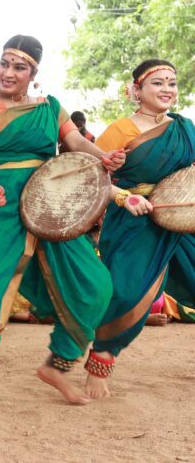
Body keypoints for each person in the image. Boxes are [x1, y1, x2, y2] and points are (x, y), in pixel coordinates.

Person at [0, 35, 126, 419]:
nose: (8, 72)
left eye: (19, 67)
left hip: (49, 207)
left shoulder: (50, 107)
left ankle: (56, 367)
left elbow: (72, 140)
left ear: (34, 72)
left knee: (94, 286)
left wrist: (103, 156)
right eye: (5, 63)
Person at [86, 59, 195, 399]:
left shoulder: (185, 127)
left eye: (172, 83)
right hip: (134, 219)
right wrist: (123, 195)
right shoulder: (119, 130)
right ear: (136, 91)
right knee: (126, 291)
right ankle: (99, 363)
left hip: (181, 218)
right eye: (157, 83)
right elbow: (92, 179)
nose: (167, 89)